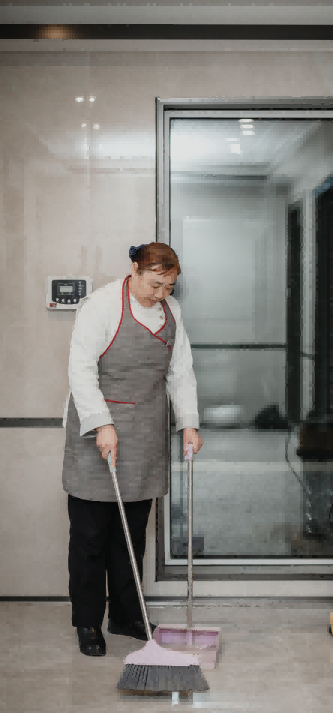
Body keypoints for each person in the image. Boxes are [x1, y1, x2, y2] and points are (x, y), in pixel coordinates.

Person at [62, 242, 203, 656]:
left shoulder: (172, 311)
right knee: (90, 535)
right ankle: (88, 621)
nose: (161, 294)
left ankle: (127, 614)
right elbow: (80, 370)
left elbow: (180, 372)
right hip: (97, 431)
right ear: (135, 270)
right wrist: (102, 424)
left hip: (144, 432)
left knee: (132, 534)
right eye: (155, 285)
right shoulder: (101, 306)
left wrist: (188, 423)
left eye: (169, 287)